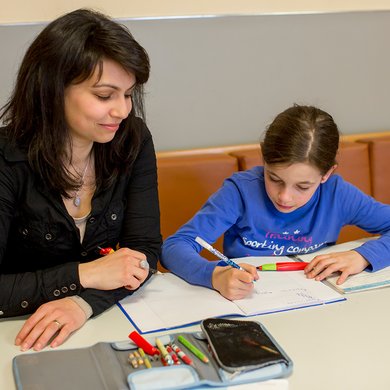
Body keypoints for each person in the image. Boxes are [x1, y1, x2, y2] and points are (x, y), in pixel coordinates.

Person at [0, 9, 161, 351]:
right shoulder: (6, 159)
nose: (121, 110)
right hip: (18, 336)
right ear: (52, 89)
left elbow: (143, 251)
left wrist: (82, 303)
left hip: (100, 328)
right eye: (105, 96)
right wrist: (84, 275)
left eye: (128, 94)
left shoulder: (133, 139)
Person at [161, 104, 390, 300]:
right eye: (274, 178)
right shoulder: (241, 192)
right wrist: (213, 274)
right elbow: (174, 247)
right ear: (264, 159)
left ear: (326, 175)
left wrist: (363, 256)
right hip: (249, 302)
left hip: (316, 303)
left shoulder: (337, 195)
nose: (284, 197)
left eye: (302, 186)